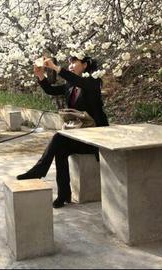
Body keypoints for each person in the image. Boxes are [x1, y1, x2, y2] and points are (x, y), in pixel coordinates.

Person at [16, 55, 109, 208]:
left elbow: (80, 82)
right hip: (79, 135)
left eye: (74, 62)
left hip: (95, 139)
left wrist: (55, 67)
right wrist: (40, 75)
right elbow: (51, 90)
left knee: (59, 138)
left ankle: (39, 170)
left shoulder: (93, 82)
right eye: (69, 63)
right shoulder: (70, 86)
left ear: (85, 65)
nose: (70, 65)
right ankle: (63, 195)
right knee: (60, 150)